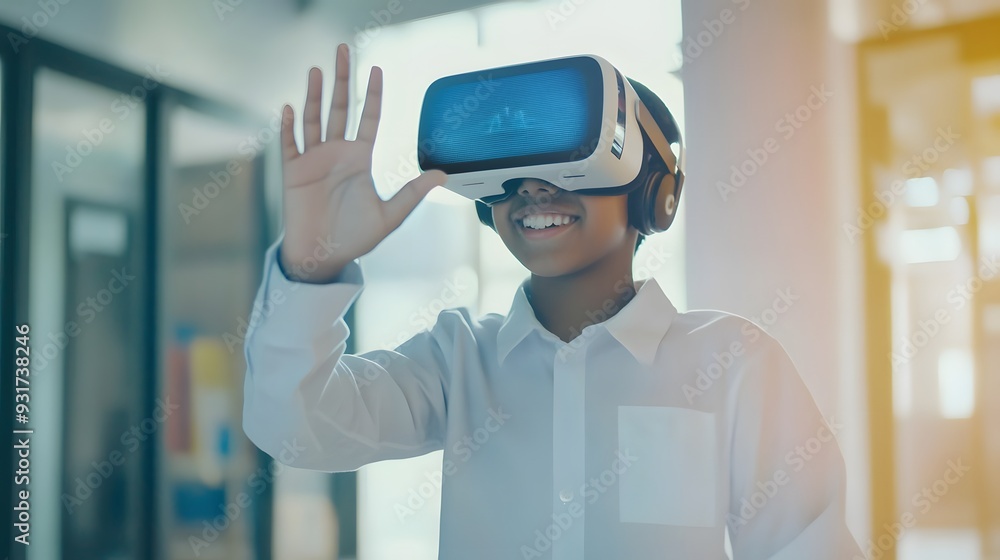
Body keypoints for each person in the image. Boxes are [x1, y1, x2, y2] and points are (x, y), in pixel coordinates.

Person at [242, 43, 863, 559]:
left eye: (566, 161)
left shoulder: (735, 363)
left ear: (655, 194)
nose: (534, 189)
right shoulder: (456, 358)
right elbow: (294, 429)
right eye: (511, 172)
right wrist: (311, 268)